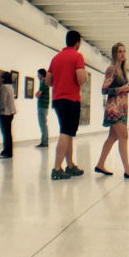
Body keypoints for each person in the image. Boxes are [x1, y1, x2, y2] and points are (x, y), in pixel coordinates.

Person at [96, 42, 129, 179]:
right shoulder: (112, 69)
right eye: (120, 51)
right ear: (115, 54)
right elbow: (104, 89)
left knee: (113, 137)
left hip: (121, 108)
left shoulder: (122, 71)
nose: (123, 54)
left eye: (124, 51)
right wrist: (122, 89)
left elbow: (125, 88)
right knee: (124, 136)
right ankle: (127, 169)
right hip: (114, 108)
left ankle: (100, 164)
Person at [47, 30, 87, 180]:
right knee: (65, 132)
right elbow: (80, 79)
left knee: (68, 132)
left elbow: (48, 81)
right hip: (71, 100)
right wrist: (82, 80)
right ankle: (57, 168)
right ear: (77, 43)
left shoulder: (56, 58)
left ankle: (70, 166)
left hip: (57, 100)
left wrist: (61, 81)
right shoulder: (77, 56)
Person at [0, 71, 16, 159]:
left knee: (5, 133)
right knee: (8, 132)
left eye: (0, 77)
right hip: (11, 112)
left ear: (4, 78)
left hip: (5, 113)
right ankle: (8, 151)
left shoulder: (4, 87)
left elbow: (2, 101)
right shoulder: (10, 87)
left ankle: (7, 151)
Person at [34, 68, 50, 147]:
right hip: (43, 107)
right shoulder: (44, 83)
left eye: (38, 74)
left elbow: (37, 94)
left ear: (41, 74)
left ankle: (44, 142)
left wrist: (37, 94)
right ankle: (44, 141)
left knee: (43, 124)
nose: (37, 75)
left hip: (42, 107)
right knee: (43, 124)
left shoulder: (44, 83)